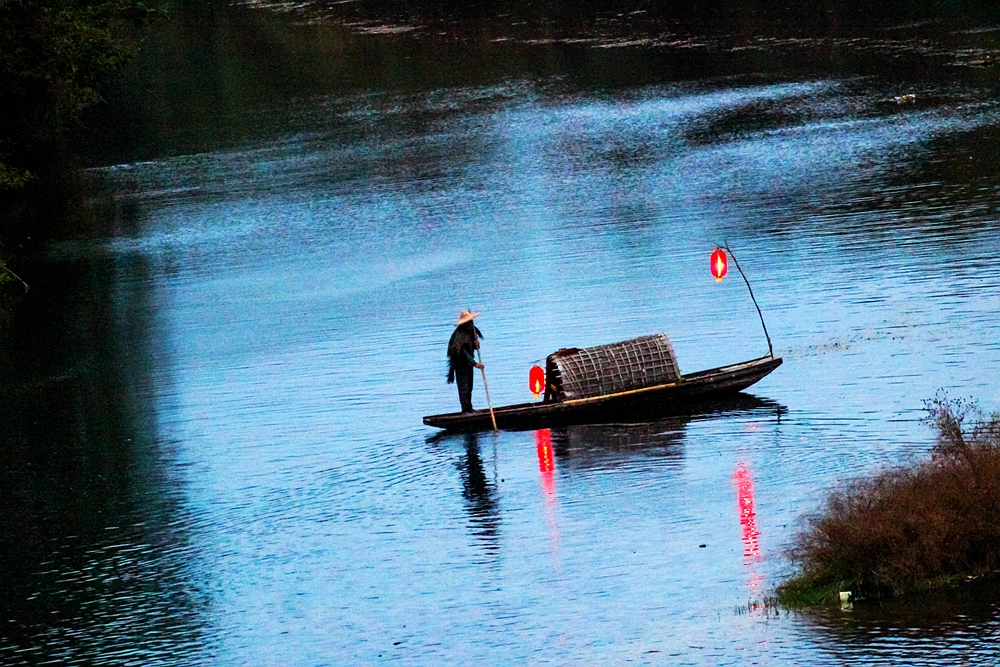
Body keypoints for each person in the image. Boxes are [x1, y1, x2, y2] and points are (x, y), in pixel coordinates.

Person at [447, 310, 484, 413]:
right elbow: (463, 352)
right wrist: (475, 363)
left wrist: (476, 345)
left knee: (470, 386)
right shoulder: (460, 335)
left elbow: (471, 346)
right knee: (464, 387)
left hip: (468, 365)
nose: (471, 323)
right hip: (460, 365)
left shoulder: (470, 331)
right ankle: (465, 410)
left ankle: (469, 408)